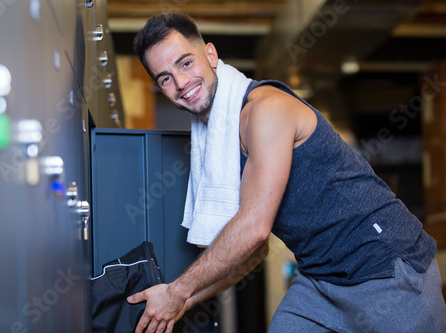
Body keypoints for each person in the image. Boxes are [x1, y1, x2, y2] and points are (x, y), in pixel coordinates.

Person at [127, 12, 446, 333]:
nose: (180, 83)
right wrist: (180, 301)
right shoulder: (219, 142)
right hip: (320, 279)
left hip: (387, 270)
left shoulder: (266, 111)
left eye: (185, 63)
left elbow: (254, 230)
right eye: (165, 78)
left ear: (210, 55)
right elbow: (253, 255)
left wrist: (176, 292)